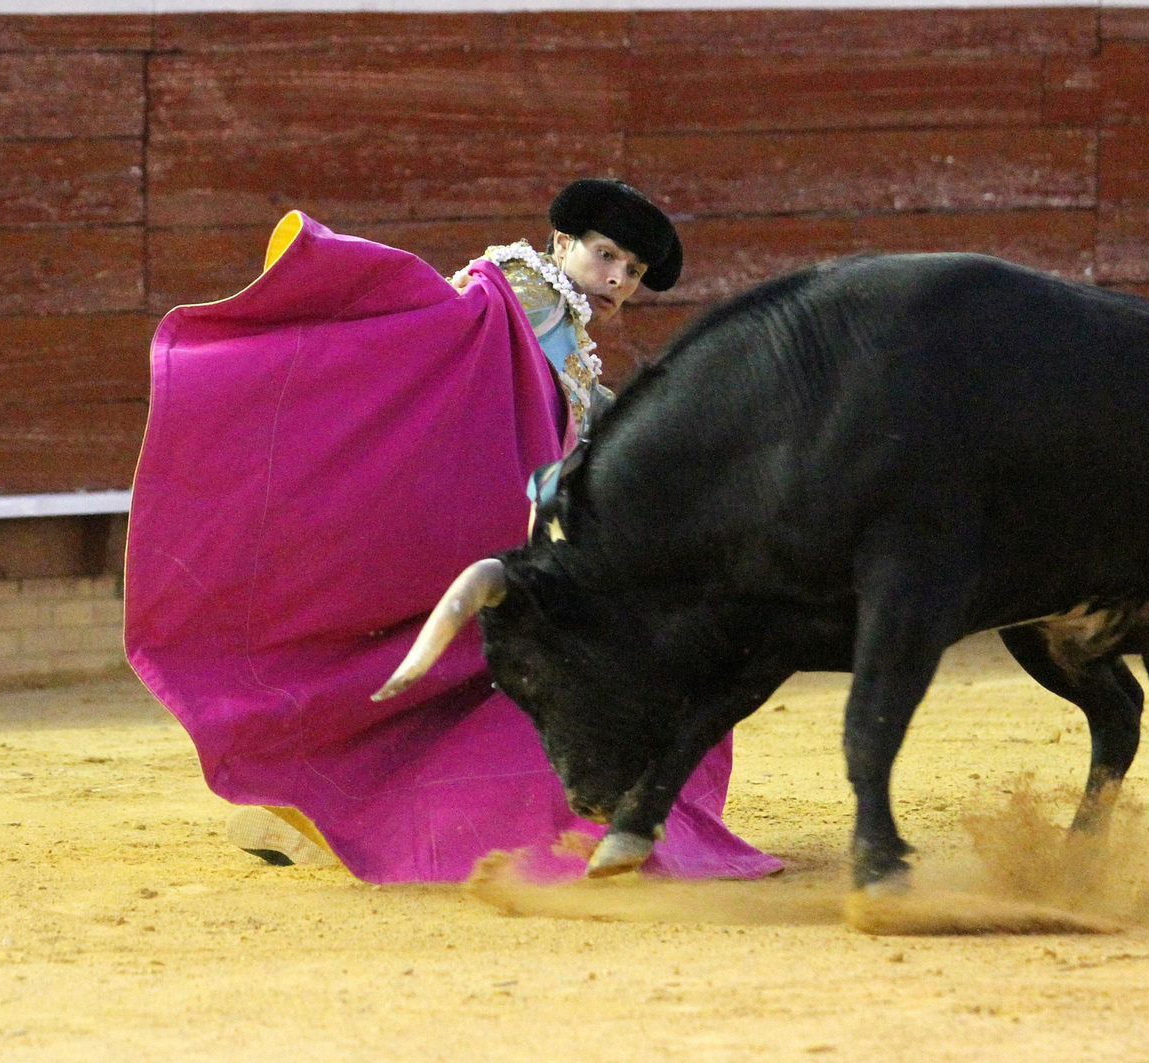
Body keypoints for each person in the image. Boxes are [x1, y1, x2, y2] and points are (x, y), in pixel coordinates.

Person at [124, 179, 780, 884]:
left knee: (417, 679)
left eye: (634, 271)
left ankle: (304, 808)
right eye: (606, 254)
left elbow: (587, 435)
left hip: (478, 534)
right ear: (564, 244)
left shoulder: (569, 343)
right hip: (451, 524)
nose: (618, 278)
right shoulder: (527, 288)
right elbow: (445, 335)